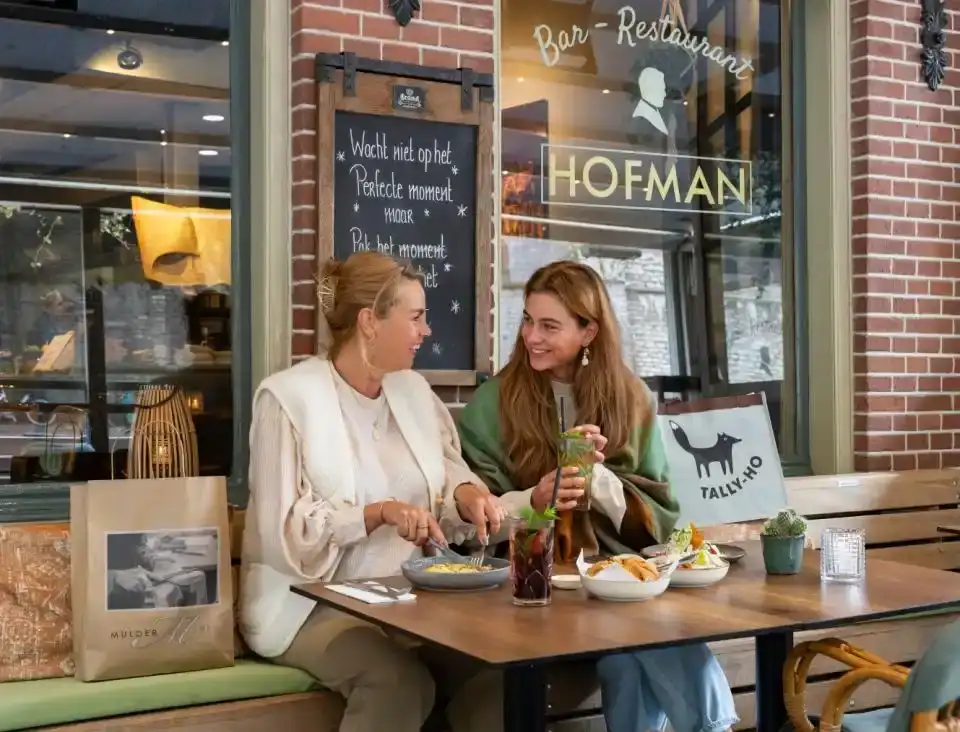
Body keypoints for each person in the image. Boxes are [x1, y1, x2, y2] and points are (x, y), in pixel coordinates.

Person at [456, 260, 738, 732]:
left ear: (589, 332)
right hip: (532, 592)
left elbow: (664, 522)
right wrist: (538, 497)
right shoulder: (493, 404)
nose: (532, 337)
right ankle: (715, 727)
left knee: (627, 661)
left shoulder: (632, 398)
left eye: (549, 325)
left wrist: (602, 483)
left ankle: (713, 726)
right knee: (651, 632)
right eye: (528, 320)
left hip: (618, 583)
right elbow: (471, 527)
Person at [239, 251, 506, 732]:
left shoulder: (413, 392)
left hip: (405, 603)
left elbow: (445, 475)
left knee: (496, 675)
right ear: (369, 322)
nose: (426, 331)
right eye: (416, 317)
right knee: (398, 682)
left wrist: (466, 491)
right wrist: (375, 513)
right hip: (305, 604)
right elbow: (284, 535)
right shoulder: (287, 399)